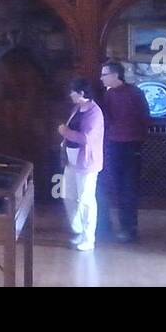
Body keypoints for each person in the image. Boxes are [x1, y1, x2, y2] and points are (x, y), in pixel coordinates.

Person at [97, 60, 151, 243]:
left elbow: (145, 119)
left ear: (114, 75)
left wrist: (138, 140)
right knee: (114, 187)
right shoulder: (108, 95)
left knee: (129, 189)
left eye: (104, 74)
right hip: (113, 146)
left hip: (131, 146)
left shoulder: (135, 93)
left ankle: (129, 228)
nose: (101, 78)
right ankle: (108, 226)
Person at [57, 78, 104, 252]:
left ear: (82, 93)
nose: (70, 94)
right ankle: (78, 229)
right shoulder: (77, 108)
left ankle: (88, 237)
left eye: (73, 91)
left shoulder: (94, 113)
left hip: (86, 161)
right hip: (71, 159)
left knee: (86, 200)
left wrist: (65, 132)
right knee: (67, 195)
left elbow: (86, 138)